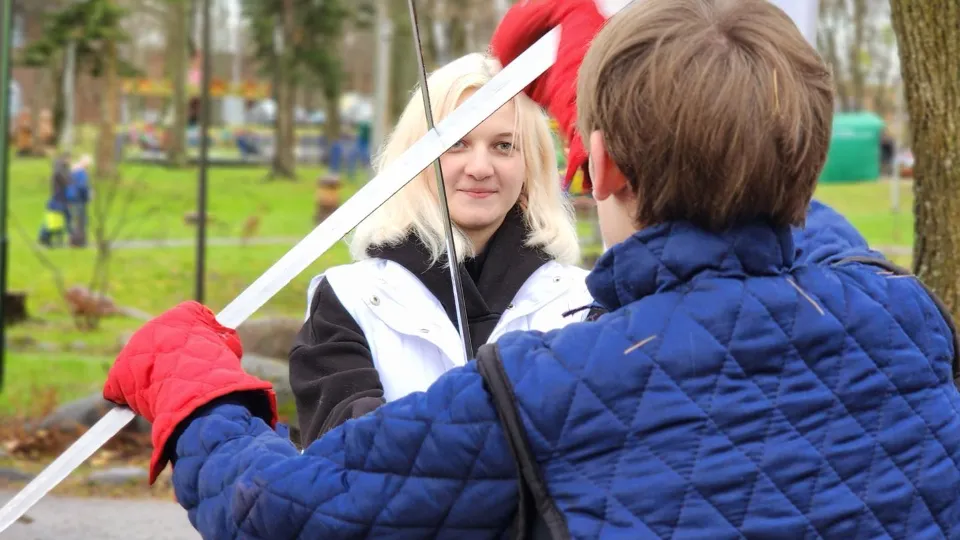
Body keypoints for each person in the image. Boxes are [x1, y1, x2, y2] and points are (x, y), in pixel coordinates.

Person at [101, 0, 960, 537]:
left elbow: (281, 508)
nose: (479, 166)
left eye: (505, 146)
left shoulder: (546, 391)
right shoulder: (901, 315)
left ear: (597, 166)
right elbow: (786, 213)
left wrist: (196, 391)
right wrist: (626, 108)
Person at [289, 52, 594, 446]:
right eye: (456, 143)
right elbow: (351, 456)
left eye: (504, 146)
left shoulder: (584, 303)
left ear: (531, 164)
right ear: (414, 158)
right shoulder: (347, 301)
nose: (480, 167)